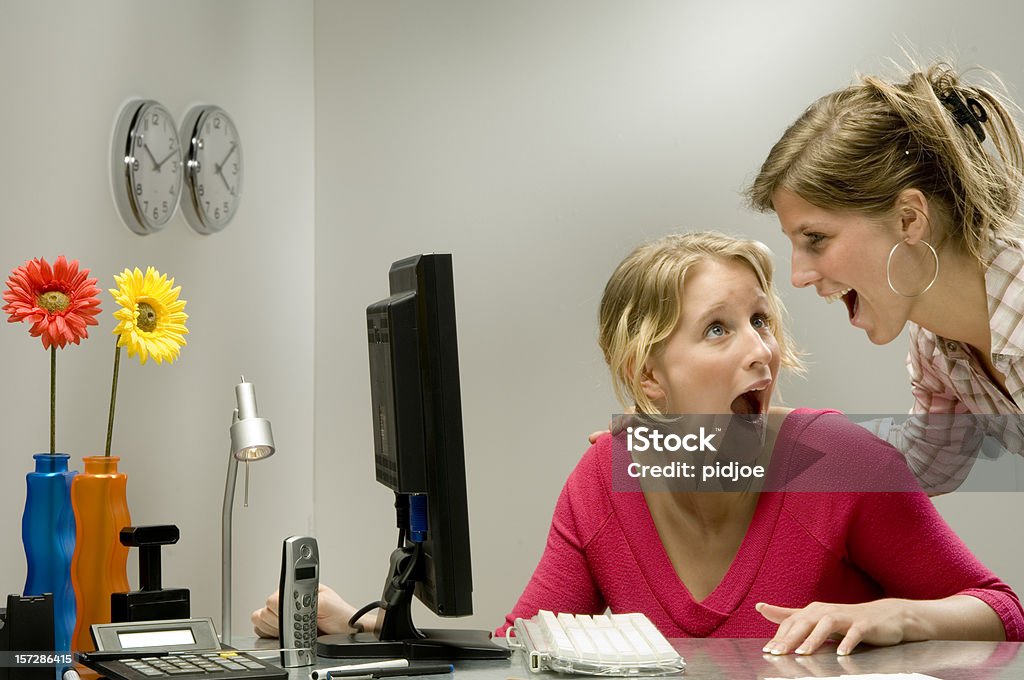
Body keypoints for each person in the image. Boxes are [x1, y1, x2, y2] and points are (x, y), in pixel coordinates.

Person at [255, 231, 1023, 655]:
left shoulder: (842, 463)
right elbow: (525, 648)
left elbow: (1003, 611)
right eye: (718, 329)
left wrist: (900, 615)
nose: (760, 350)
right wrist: (362, 621)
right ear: (647, 376)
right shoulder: (606, 477)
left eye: (761, 321)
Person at [746, 60, 1024, 494]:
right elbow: (914, 464)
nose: (797, 276)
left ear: (909, 219)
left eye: (816, 238)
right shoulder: (938, 346)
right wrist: (700, 444)